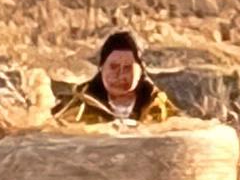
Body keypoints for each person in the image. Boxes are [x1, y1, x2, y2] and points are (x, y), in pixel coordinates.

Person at [51, 28, 179, 129]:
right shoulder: (78, 107)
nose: (120, 75)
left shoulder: (159, 105)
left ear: (141, 71)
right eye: (113, 67)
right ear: (101, 68)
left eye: (127, 68)